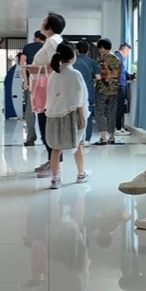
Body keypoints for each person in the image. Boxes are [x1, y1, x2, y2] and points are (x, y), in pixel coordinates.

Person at [45, 42, 91, 189]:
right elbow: (79, 98)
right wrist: (82, 116)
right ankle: (81, 174)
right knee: (78, 145)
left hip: (53, 115)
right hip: (71, 116)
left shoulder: (54, 74)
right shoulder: (75, 74)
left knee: (56, 148)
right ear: (73, 56)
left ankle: (55, 179)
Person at [25, 14, 65, 178]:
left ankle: (55, 165)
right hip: (46, 89)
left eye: (44, 21)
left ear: (50, 26)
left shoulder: (53, 41)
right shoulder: (51, 41)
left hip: (49, 90)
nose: (41, 23)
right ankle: (51, 161)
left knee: (48, 128)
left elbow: (56, 65)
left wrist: (37, 69)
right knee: (45, 127)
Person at [93, 39, 122, 145]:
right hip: (114, 89)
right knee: (111, 112)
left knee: (99, 112)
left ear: (102, 48)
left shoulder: (100, 59)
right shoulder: (117, 59)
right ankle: (112, 137)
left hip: (102, 89)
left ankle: (103, 137)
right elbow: (119, 74)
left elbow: (98, 75)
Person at [20, 31, 46, 146]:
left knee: (30, 112)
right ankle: (46, 137)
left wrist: (26, 82)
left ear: (35, 37)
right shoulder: (47, 48)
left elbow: (22, 65)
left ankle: (31, 138)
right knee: (45, 110)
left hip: (32, 82)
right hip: (45, 83)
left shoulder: (28, 47)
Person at [72, 40, 99, 146]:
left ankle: (75, 139)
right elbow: (98, 77)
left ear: (77, 50)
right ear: (88, 51)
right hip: (88, 91)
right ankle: (86, 139)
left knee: (74, 115)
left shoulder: (73, 62)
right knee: (88, 115)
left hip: (75, 92)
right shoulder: (92, 62)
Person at [114, 43, 132, 136]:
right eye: (128, 51)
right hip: (119, 85)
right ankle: (118, 128)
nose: (128, 54)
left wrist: (128, 76)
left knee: (119, 107)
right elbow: (118, 72)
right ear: (124, 49)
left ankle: (119, 127)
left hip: (119, 84)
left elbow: (123, 71)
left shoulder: (118, 57)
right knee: (119, 107)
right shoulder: (118, 58)